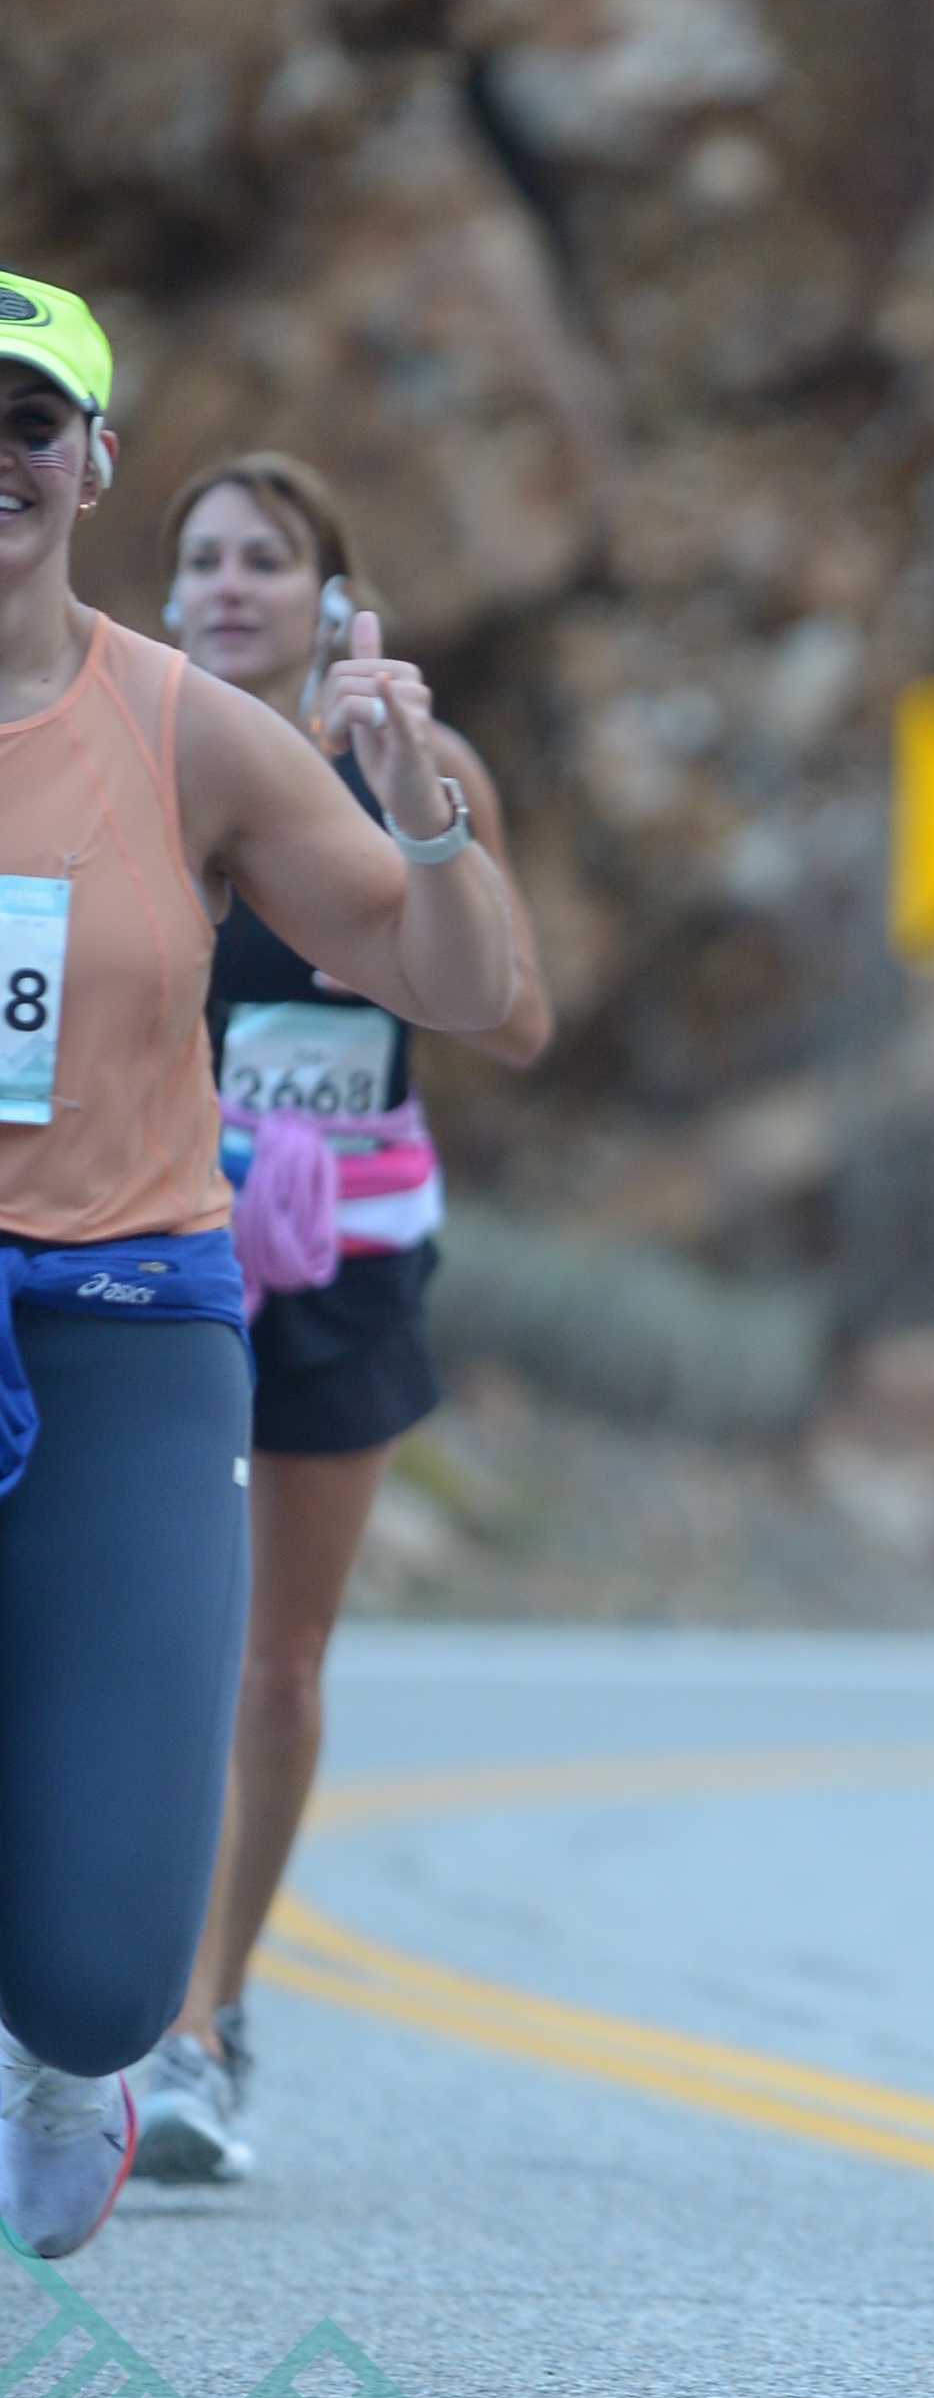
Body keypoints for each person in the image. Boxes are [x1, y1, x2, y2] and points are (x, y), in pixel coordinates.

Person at [0, 278, 517, 2262]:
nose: (0, 459)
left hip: (127, 1323)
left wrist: (427, 816)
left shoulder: (188, 733)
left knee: (100, 1975)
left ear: (91, 462)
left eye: (31, 424)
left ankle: (76, 2062)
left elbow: (458, 984)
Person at [128, 455, 552, 2190]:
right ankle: (102, 1995)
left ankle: (206, 2024)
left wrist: (412, 821)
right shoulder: (131, 756)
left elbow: (516, 1019)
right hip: (152, 1244)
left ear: (330, 599)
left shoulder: (409, 770)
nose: (231, 583)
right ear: (167, 595)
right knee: (126, 1634)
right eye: (205, 558)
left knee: (277, 1664)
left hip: (347, 1266)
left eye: (268, 558)